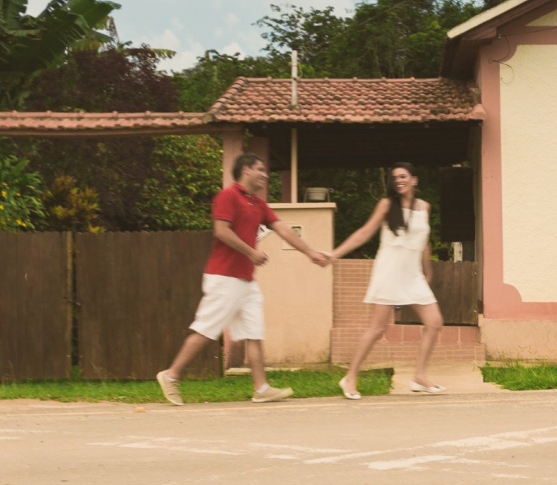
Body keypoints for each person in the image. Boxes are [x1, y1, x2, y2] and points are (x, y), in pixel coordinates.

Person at [156, 152, 329, 405]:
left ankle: (261, 388)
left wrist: (310, 253)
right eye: (260, 169)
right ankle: (171, 375)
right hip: (224, 277)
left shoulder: (258, 204)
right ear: (246, 170)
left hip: (246, 281)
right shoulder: (228, 196)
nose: (265, 175)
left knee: (254, 331)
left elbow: (282, 228)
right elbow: (221, 231)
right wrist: (251, 252)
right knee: (206, 329)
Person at [328, 162, 445, 399]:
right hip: (389, 272)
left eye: (403, 176)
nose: (399, 180)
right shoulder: (386, 205)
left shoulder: (424, 207)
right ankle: (350, 377)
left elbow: (424, 241)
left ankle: (419, 376)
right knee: (377, 329)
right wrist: (334, 254)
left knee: (434, 323)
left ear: (414, 180)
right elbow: (364, 233)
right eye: (395, 177)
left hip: (413, 275)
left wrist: (427, 271)